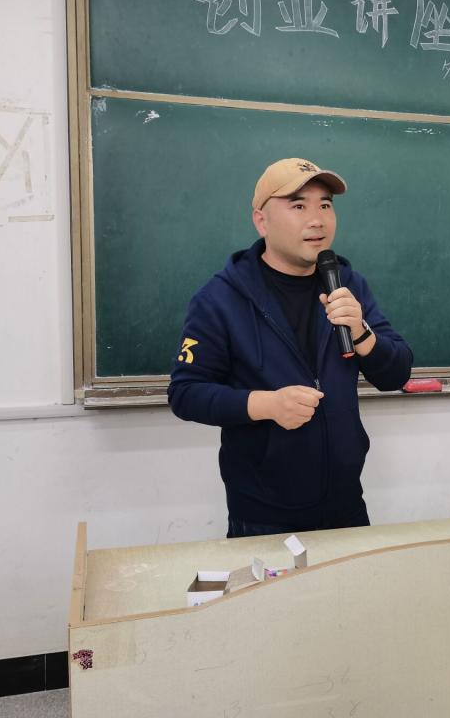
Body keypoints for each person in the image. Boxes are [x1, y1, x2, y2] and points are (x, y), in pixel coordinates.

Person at [168, 158, 413, 538]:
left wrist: (362, 334)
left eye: (325, 205)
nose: (317, 219)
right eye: (299, 206)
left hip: (347, 505)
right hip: (262, 517)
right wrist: (266, 405)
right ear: (261, 221)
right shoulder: (220, 298)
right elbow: (186, 394)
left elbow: (396, 373)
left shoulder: (346, 284)